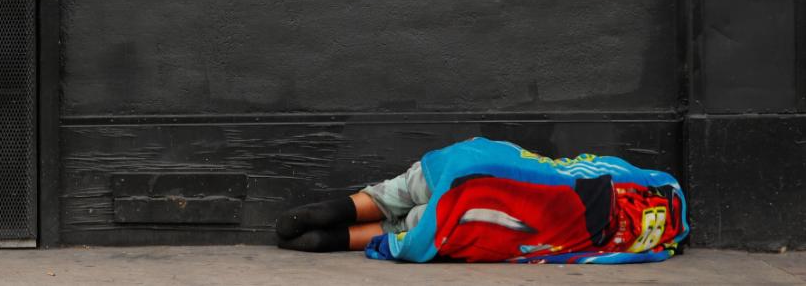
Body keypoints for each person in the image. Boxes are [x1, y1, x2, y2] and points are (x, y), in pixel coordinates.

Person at [275, 137, 688, 264]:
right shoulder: (622, 244)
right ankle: (335, 239)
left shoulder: (629, 177)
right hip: (474, 221)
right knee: (401, 227)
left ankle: (335, 210)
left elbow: (576, 165)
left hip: (478, 171)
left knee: (396, 192)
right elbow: (583, 256)